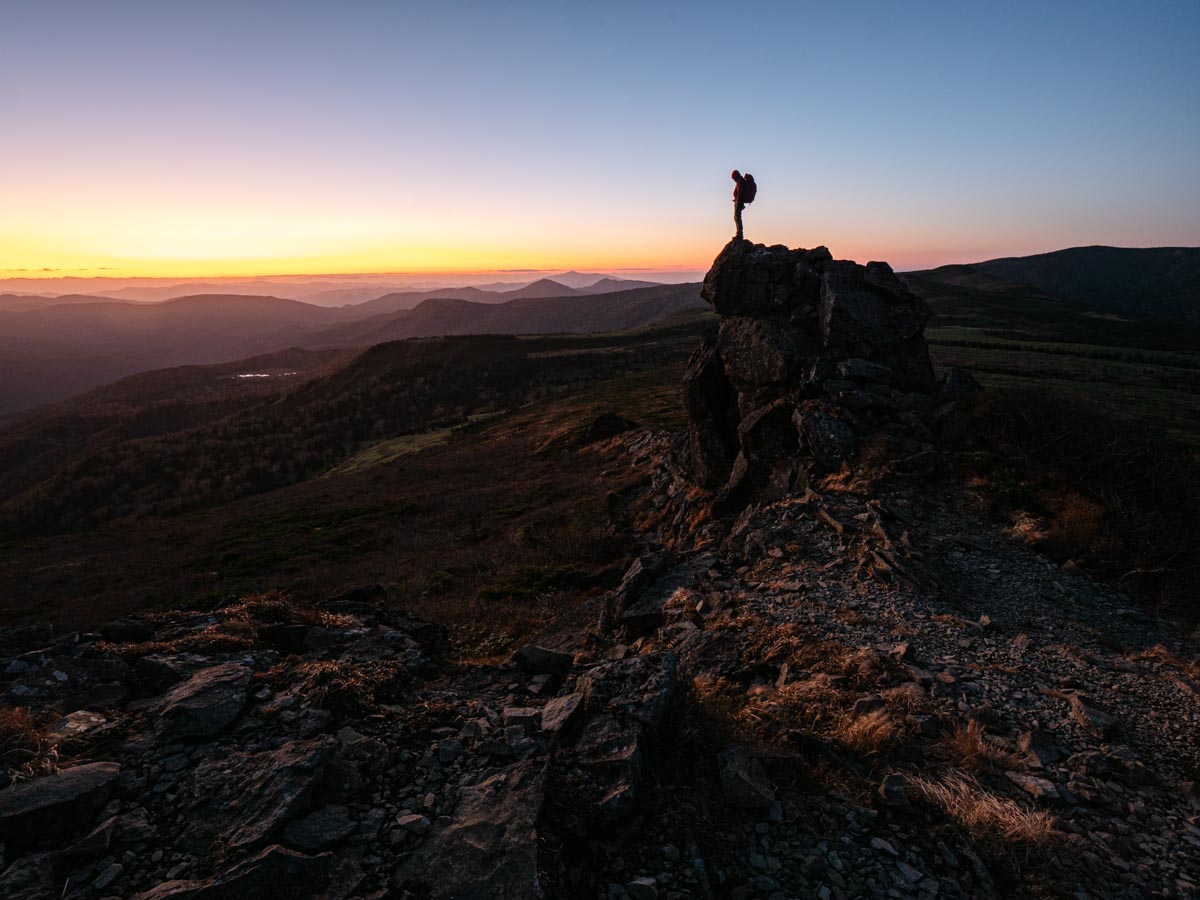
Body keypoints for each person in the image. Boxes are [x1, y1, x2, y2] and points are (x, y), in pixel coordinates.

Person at [731, 170, 756, 239]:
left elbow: (740, 192)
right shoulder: (740, 181)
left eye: (733, 178)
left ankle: (739, 234)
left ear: (735, 176)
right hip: (739, 202)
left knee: (737, 217)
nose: (733, 180)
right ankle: (739, 233)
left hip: (739, 203)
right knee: (737, 217)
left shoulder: (740, 181)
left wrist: (738, 202)